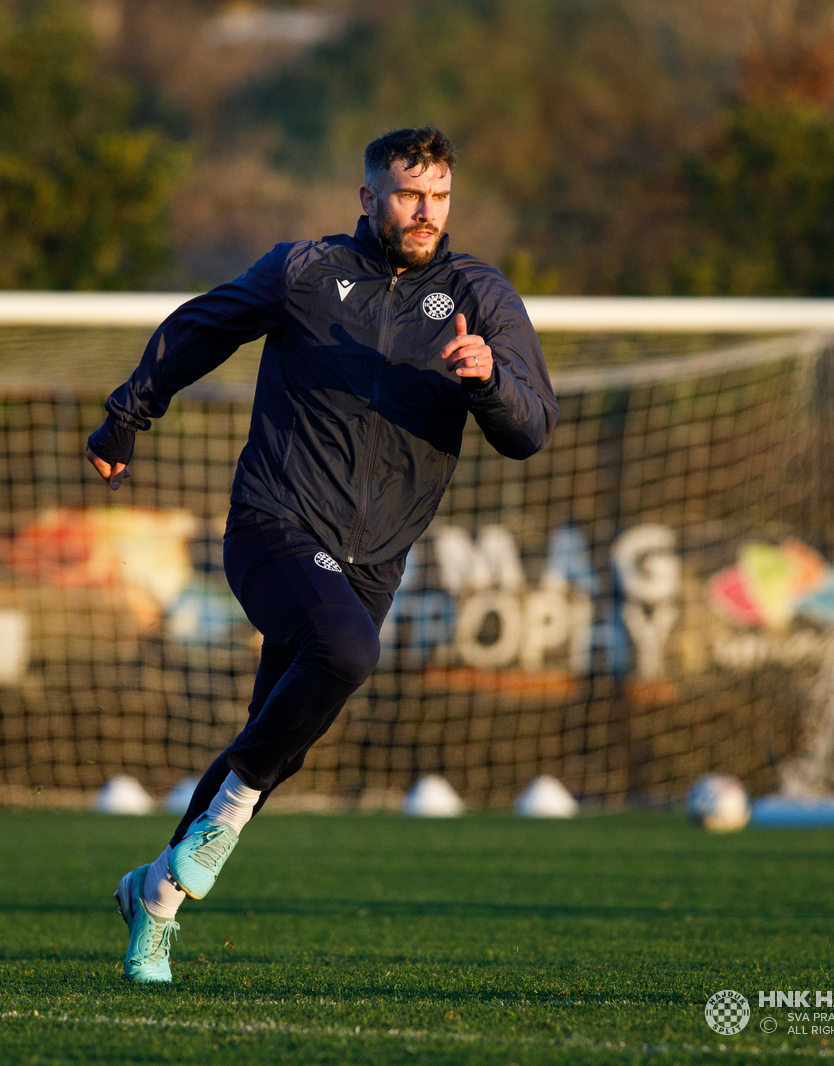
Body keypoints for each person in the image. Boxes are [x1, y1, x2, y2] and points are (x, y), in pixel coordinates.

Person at [88, 126, 558, 983]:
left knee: (277, 741)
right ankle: (217, 827)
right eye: (409, 194)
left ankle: (154, 898)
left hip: (375, 558)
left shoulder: (477, 294)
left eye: (440, 196)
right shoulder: (304, 269)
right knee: (345, 650)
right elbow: (201, 328)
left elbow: (531, 430)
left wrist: (487, 379)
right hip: (274, 523)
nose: (426, 213)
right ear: (369, 195)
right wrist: (129, 411)